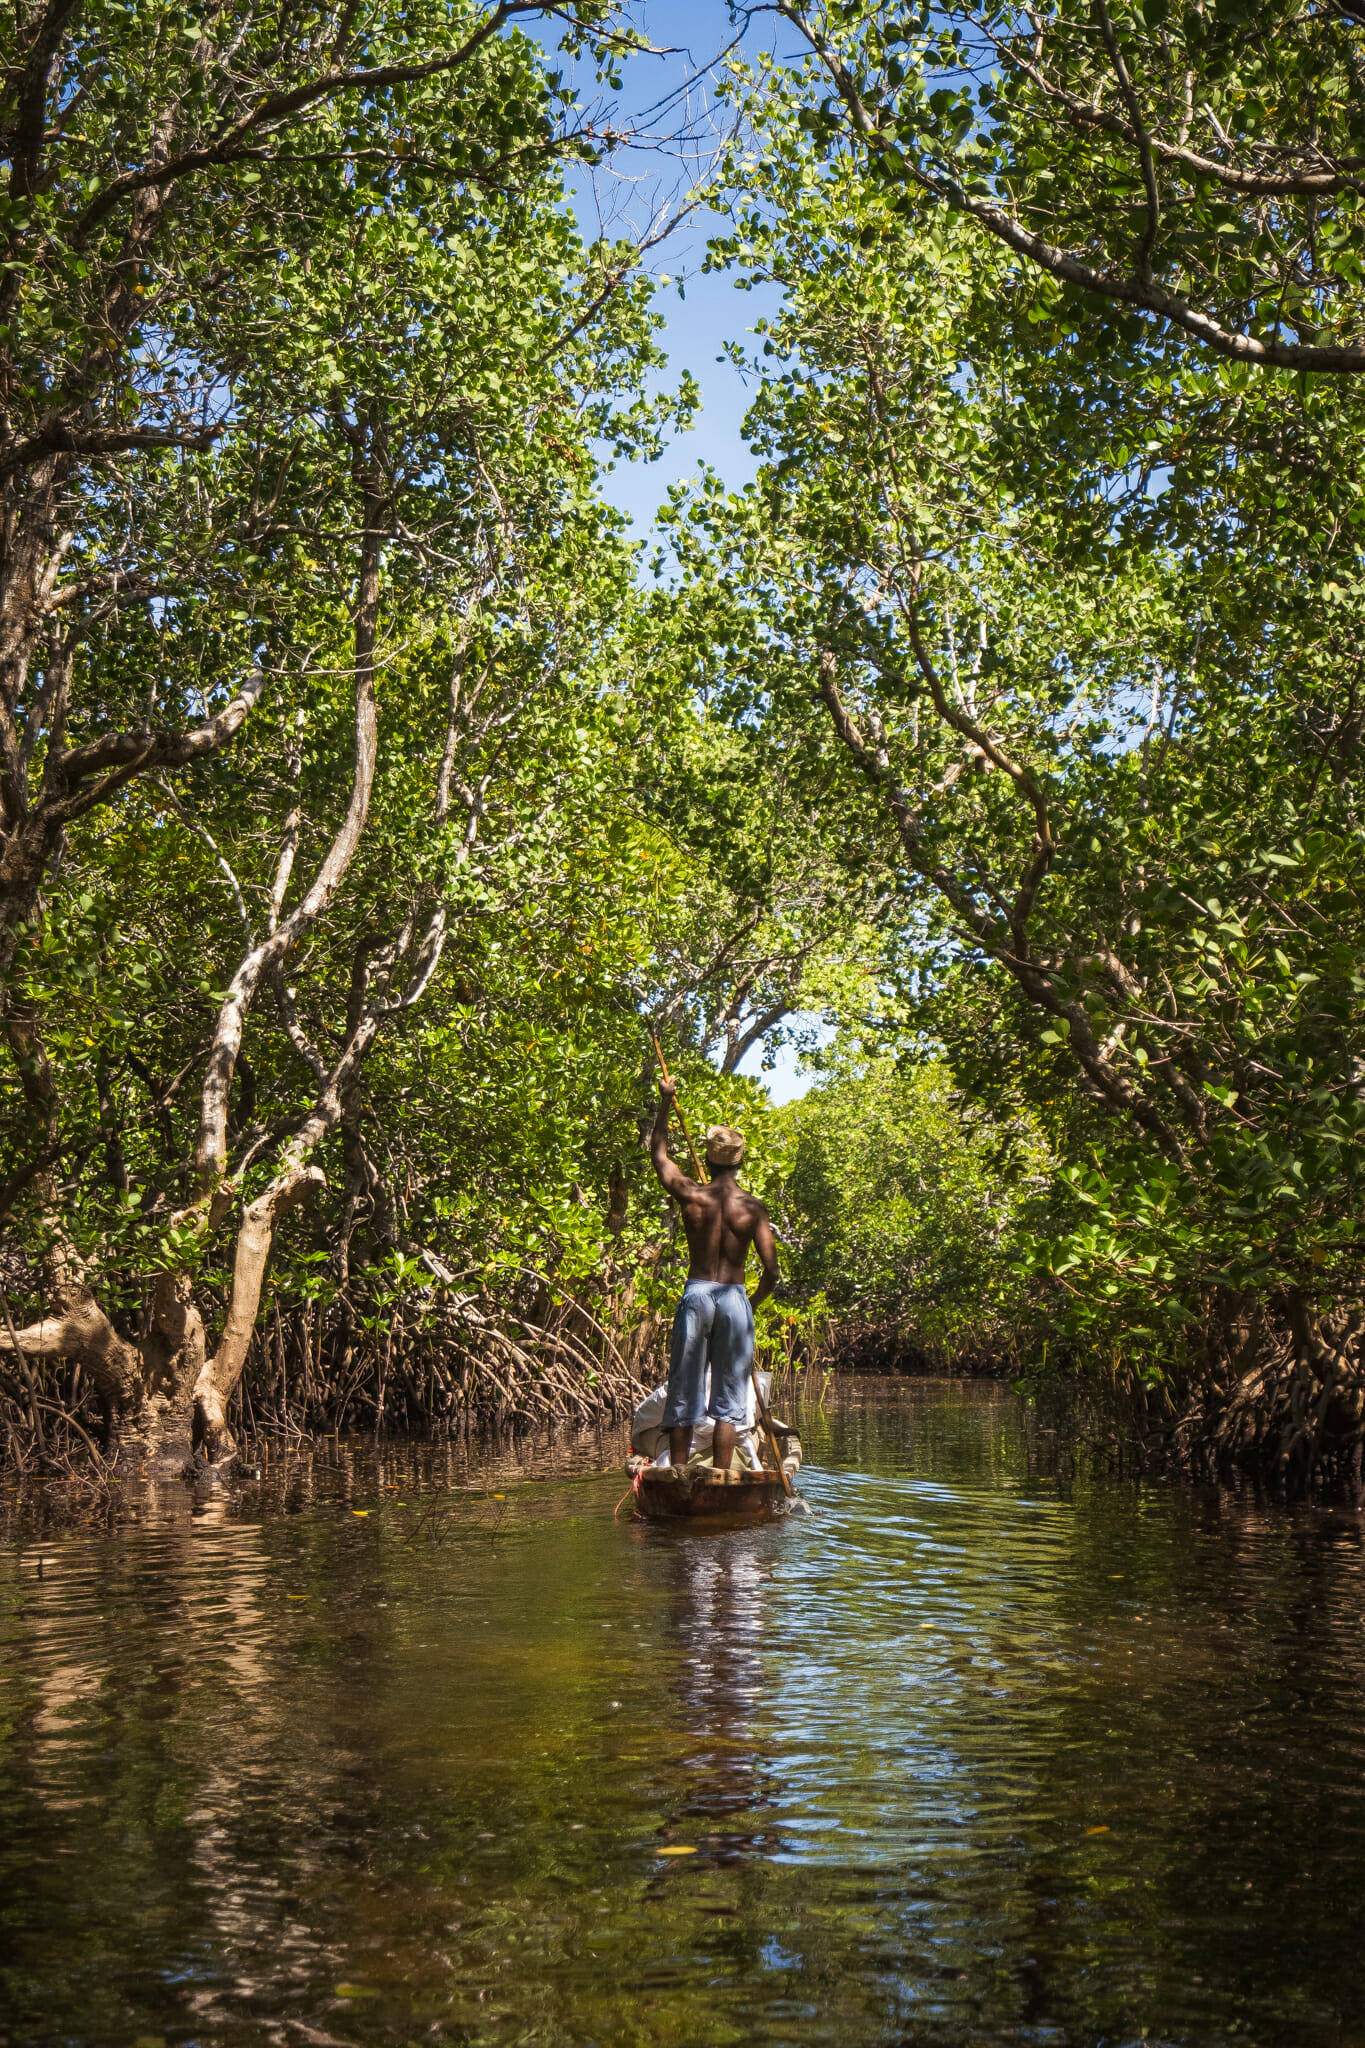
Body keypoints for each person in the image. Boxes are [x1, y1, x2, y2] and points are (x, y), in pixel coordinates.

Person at [649, 1077, 779, 1472]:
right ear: (740, 1161)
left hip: (698, 1294)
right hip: (734, 1299)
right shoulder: (753, 1208)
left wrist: (666, 1103)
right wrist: (749, 1303)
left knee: (684, 1391)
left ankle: (679, 1475)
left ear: (707, 1160)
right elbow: (772, 1271)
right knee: (729, 1399)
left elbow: (658, 1155)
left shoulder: (693, 1195)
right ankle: (721, 1477)